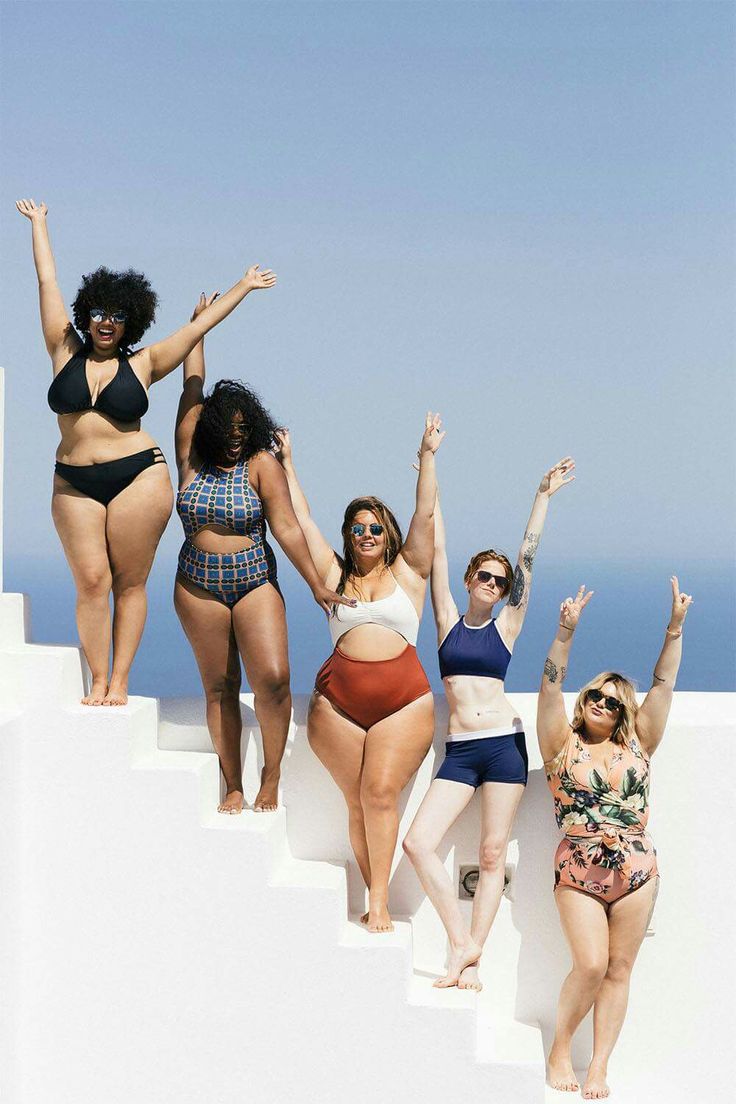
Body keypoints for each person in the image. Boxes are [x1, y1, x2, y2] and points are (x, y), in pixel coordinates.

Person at [16, 197, 275, 706]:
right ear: (85, 317)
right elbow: (48, 283)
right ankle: (96, 677)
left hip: (138, 476)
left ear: (129, 320)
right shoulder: (62, 348)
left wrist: (243, 286)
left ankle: (120, 681)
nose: (105, 322)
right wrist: (40, 224)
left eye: (116, 315)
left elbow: (197, 329)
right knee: (91, 580)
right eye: (97, 313)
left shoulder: (146, 362)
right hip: (72, 479)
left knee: (129, 583)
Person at [174, 294, 353, 813]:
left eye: (240, 433)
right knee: (220, 686)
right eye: (225, 433)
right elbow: (191, 389)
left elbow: (289, 530)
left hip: (254, 581)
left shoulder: (260, 464)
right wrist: (198, 333)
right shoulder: (191, 451)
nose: (233, 442)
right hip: (197, 584)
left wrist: (317, 584)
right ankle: (233, 782)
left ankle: (271, 775)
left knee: (273, 681)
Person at [402, 459, 575, 990]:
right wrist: (431, 469)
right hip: (460, 750)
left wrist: (541, 495)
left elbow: (528, 559)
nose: (493, 584)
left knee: (492, 852)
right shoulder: (447, 620)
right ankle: (462, 941)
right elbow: (437, 543)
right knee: (417, 843)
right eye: (485, 576)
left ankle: (471, 959)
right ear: (469, 579)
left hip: (504, 746)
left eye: (500, 582)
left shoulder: (508, 625)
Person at [275, 415, 444, 931]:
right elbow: (301, 521)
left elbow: (424, 512)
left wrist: (428, 456)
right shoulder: (332, 575)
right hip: (338, 704)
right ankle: (374, 896)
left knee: (379, 794)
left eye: (374, 528)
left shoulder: (409, 572)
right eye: (357, 528)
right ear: (348, 537)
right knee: (356, 801)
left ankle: (380, 900)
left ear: (386, 534)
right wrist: (287, 463)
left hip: (404, 703)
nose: (366, 534)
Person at [537, 578, 692, 1099]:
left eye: (612, 700)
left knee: (620, 970)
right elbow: (549, 685)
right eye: (595, 695)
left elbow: (664, 685)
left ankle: (599, 1066)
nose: (602, 702)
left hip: (636, 871)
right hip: (579, 869)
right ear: (584, 701)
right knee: (591, 964)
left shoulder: (641, 743)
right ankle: (561, 1047)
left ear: (624, 711)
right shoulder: (561, 744)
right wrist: (564, 631)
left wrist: (675, 628)